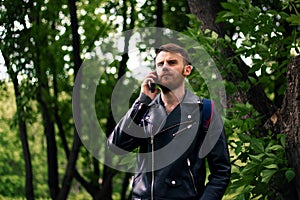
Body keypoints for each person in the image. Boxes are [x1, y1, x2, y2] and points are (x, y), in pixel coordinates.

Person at [108, 43, 231, 200]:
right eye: (160, 64)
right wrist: (141, 102)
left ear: (186, 70)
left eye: (172, 62)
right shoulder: (144, 111)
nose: (165, 67)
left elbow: (221, 171)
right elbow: (116, 146)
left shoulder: (205, 110)